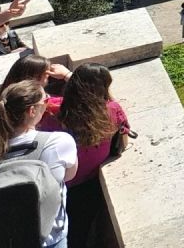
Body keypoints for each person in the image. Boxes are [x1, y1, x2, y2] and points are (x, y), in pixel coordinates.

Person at [41, 63, 130, 248]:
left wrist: (69, 78)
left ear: (72, 87)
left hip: (57, 185)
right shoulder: (112, 110)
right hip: (89, 185)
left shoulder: (51, 110)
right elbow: (123, 143)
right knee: (80, 232)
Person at [0, 79, 77, 248]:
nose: (47, 102)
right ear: (32, 110)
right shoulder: (58, 142)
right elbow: (69, 175)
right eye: (45, 100)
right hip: (50, 238)